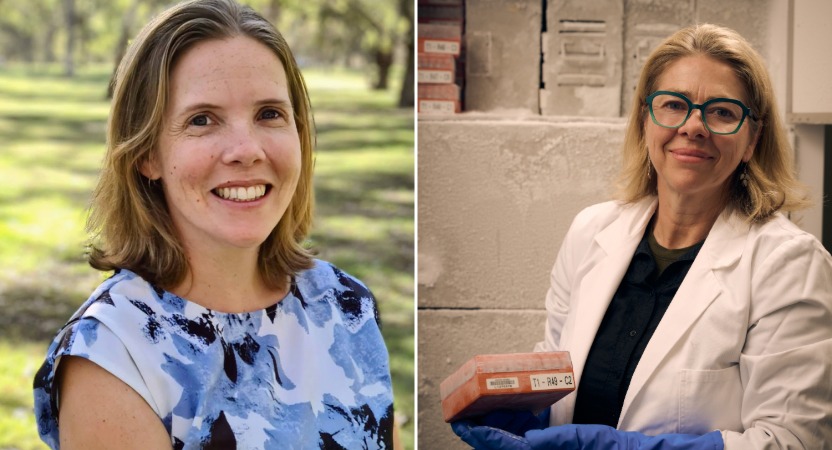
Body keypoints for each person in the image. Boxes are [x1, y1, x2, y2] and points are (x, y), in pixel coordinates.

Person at [32, 0, 398, 448]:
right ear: (147, 154)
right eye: (202, 120)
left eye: (269, 114)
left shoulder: (347, 307)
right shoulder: (113, 355)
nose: (246, 149)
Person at [452, 23, 832, 449]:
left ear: (751, 140)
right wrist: (527, 412)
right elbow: (558, 374)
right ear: (646, 119)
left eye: (723, 112)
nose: (694, 126)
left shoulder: (789, 263)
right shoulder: (591, 232)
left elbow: (793, 440)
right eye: (674, 104)